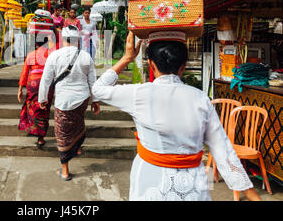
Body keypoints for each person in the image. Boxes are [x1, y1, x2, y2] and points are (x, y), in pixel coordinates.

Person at [91, 31, 262, 201]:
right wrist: (249, 192)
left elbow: (97, 89)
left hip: (150, 180)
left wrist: (127, 58)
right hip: (192, 184)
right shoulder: (201, 98)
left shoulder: (138, 94)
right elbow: (221, 148)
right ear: (183, 66)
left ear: (151, 65)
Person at [38, 25, 101, 181]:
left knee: (62, 132)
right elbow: (93, 81)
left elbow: (45, 80)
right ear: (78, 40)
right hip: (82, 99)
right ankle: (77, 147)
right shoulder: (86, 57)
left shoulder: (54, 56)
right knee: (78, 123)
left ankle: (65, 170)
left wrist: (42, 99)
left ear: (63, 39)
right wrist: (96, 100)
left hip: (63, 100)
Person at [18, 36, 54, 147]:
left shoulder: (30, 55)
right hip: (47, 83)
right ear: (47, 43)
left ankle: (34, 129)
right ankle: (40, 137)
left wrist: (20, 89)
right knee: (44, 109)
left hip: (33, 83)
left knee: (33, 107)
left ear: (36, 44)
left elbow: (24, 73)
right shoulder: (51, 55)